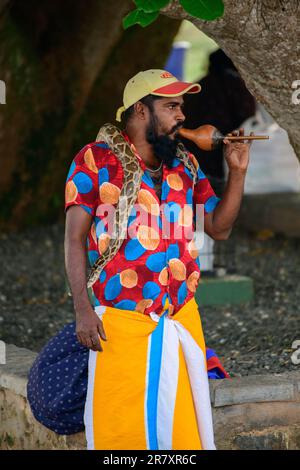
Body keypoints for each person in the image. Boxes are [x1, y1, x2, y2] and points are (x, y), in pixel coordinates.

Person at [27, 69, 252, 450]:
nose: (182, 115)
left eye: (182, 106)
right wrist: (83, 309)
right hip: (121, 324)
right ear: (141, 111)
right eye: (171, 106)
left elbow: (219, 227)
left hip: (180, 319)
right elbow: (74, 238)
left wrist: (238, 173)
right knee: (124, 434)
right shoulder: (95, 161)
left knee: (182, 436)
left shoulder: (185, 164)